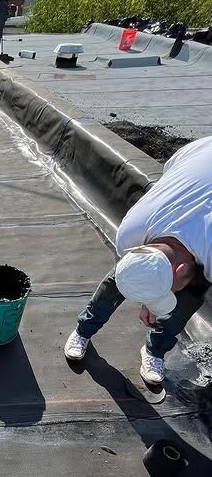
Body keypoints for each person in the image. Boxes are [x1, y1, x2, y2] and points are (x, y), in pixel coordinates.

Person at [64, 136, 212, 386]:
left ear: (184, 268)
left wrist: (157, 299)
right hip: (201, 159)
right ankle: (83, 330)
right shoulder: (132, 232)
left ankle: (154, 351)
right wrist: (153, 296)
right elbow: (172, 169)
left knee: (188, 299)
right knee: (120, 279)